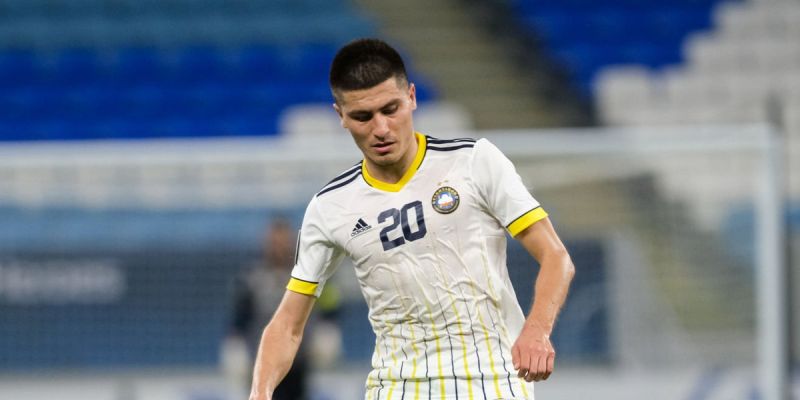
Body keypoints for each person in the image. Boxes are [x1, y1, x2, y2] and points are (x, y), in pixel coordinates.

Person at [249, 38, 575, 400]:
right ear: (341, 116)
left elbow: (556, 257)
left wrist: (537, 330)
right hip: (396, 388)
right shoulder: (329, 207)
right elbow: (288, 325)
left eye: (391, 109)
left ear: (412, 97)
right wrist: (259, 393)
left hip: (491, 381)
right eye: (363, 117)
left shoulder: (474, 162)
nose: (381, 128)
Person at [223, 218, 309, 400]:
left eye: (283, 241)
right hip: (262, 362)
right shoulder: (252, 276)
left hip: (297, 361)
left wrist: (328, 323)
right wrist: (235, 343)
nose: (279, 247)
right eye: (275, 242)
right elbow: (240, 314)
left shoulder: (304, 272)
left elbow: (326, 300)